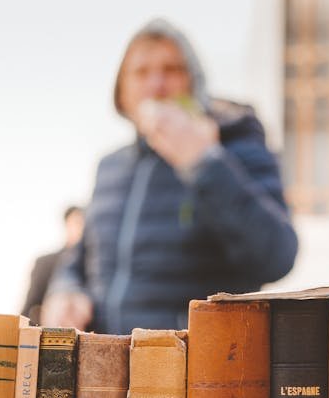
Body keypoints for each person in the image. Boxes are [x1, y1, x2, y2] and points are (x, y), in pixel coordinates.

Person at [43, 19, 298, 334]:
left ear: (195, 84)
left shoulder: (236, 148)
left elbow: (278, 257)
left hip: (196, 364)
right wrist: (65, 289)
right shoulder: (109, 166)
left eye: (172, 69)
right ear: (121, 94)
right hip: (109, 365)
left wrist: (205, 163)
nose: (156, 84)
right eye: (140, 72)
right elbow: (80, 257)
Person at [22, 205, 84, 324]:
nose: (81, 229)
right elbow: (29, 306)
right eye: (77, 223)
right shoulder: (45, 263)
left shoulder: (94, 267)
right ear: (67, 225)